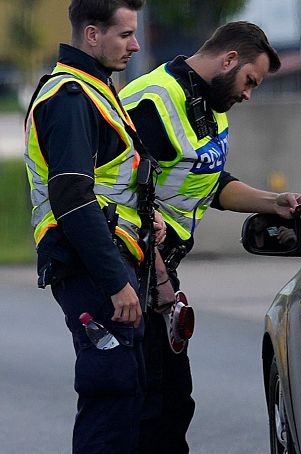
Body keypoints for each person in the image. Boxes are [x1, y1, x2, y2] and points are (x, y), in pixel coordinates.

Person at [119, 21, 301, 452]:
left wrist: (273, 202)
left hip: (159, 271)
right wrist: (162, 283)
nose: (248, 94)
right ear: (228, 60)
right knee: (146, 407)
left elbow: (207, 180)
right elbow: (124, 200)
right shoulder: (154, 102)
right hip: (130, 269)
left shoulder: (210, 104)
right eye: (250, 81)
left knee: (173, 402)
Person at [22, 1, 166, 452]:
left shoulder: (95, 88)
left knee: (128, 395)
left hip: (106, 260)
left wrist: (145, 218)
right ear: (91, 34)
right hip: (91, 268)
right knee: (111, 395)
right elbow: (72, 198)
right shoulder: (70, 97)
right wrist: (115, 283)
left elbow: (105, 183)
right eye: (125, 35)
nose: (136, 45)